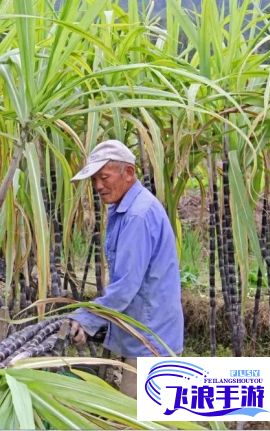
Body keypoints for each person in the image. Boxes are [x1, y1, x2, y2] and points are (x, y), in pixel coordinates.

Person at [67, 139, 184, 398]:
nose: (98, 186)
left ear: (128, 173)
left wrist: (86, 318)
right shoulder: (125, 208)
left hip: (150, 341)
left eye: (104, 177)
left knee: (140, 421)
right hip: (147, 332)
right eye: (94, 180)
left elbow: (125, 287)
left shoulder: (137, 216)